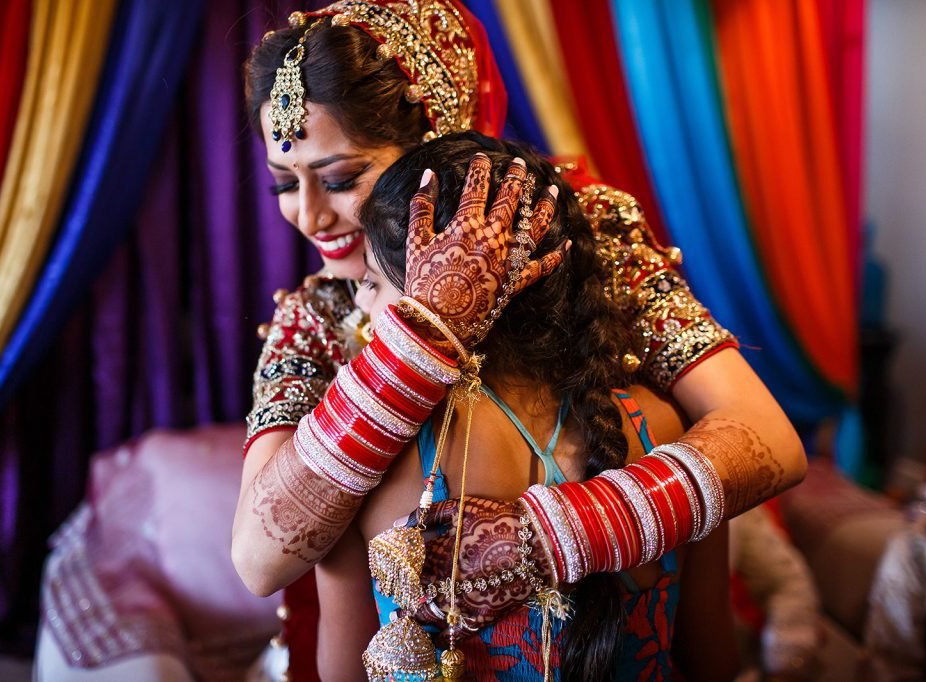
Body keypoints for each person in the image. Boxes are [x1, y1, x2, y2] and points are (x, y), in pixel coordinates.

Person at [233, 1, 805, 675]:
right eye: (282, 184)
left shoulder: (582, 238)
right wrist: (424, 332)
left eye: (340, 178)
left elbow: (770, 442)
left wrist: (541, 540)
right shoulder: (317, 315)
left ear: (440, 150)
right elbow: (258, 559)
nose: (307, 214)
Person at [312, 132, 739, 681]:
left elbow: (339, 673)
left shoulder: (367, 457)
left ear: (444, 289)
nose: (363, 304)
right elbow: (714, 661)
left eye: (371, 282)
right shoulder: (660, 425)